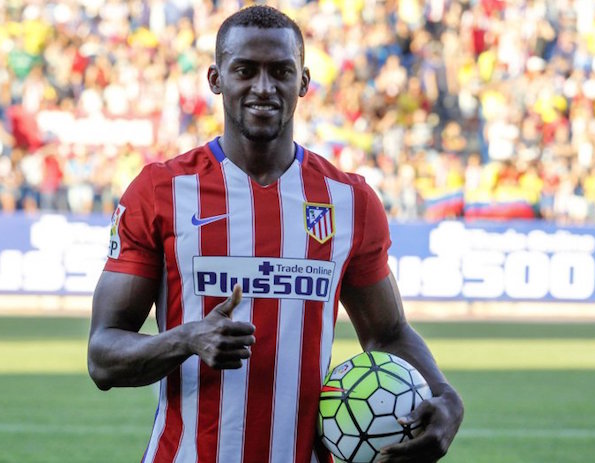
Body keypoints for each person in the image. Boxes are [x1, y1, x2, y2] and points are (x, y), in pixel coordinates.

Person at [86, 5, 464, 463]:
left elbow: (388, 333)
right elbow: (103, 356)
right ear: (216, 79)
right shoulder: (160, 191)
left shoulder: (349, 201)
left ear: (303, 82)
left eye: (281, 71)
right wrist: (186, 339)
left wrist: (445, 394)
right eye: (245, 70)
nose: (263, 87)